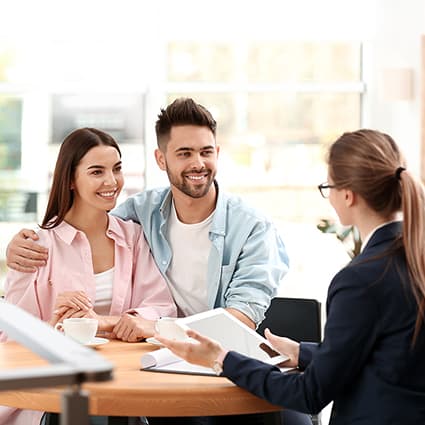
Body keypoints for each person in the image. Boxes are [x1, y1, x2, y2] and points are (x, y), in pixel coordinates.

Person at [4, 98, 294, 425]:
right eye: (184, 153)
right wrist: (17, 248)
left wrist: (118, 323)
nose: (198, 163)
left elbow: (237, 319)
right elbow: (87, 223)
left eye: (206, 151)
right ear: (161, 158)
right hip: (145, 367)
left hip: (218, 362)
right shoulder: (142, 215)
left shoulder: (253, 228)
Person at [156, 129, 425, 425]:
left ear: (348, 195)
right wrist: (300, 352)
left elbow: (309, 394)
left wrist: (221, 359)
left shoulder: (361, 280)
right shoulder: (412, 258)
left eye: (329, 187)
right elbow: (380, 354)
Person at [0, 127, 176, 425]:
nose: (111, 182)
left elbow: (161, 308)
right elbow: (10, 336)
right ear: (70, 179)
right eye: (97, 172)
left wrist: (109, 322)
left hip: (122, 382)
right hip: (53, 394)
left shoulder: (132, 238)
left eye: (117, 169)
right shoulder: (36, 246)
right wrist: (56, 327)